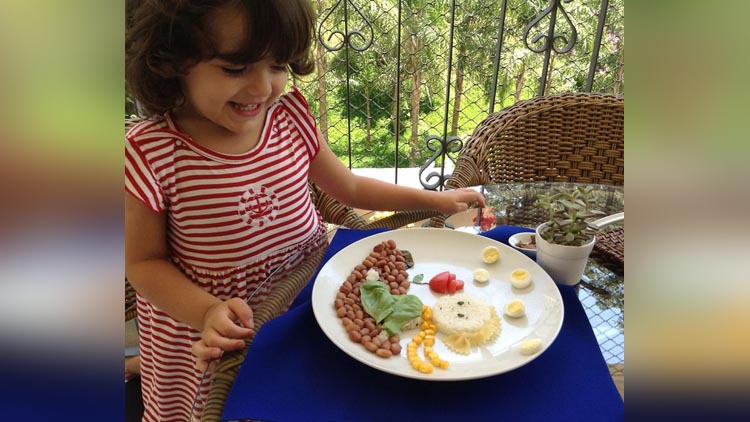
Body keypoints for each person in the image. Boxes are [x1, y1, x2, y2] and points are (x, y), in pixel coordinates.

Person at [124, 0, 485, 420]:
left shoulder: (290, 117)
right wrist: (205, 311)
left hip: (307, 289)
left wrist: (435, 199)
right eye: (236, 68)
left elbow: (348, 187)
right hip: (219, 323)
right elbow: (144, 263)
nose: (262, 88)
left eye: (277, 65)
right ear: (173, 59)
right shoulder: (151, 151)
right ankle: (138, 368)